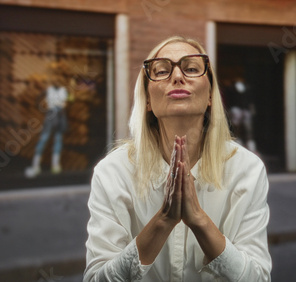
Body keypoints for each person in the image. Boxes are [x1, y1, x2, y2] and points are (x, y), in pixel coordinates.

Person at [84, 36, 271, 282]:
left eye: (192, 68)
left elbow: (258, 278)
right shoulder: (112, 172)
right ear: (148, 100)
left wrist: (199, 220)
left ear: (211, 96)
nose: (177, 76)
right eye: (162, 71)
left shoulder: (247, 169)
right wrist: (163, 221)